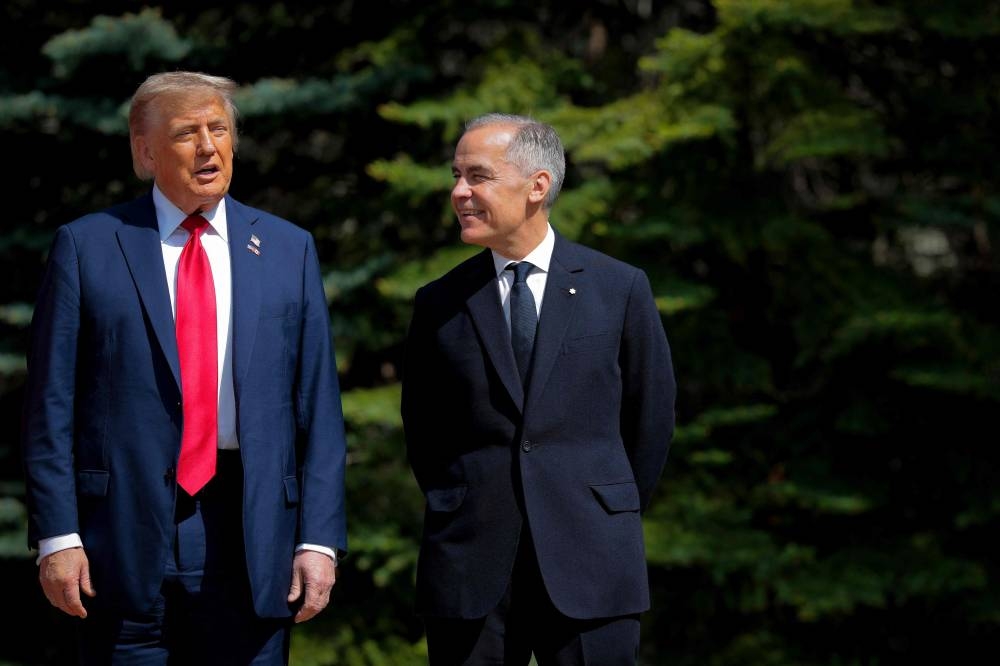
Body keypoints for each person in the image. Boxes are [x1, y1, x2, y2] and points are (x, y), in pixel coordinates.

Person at [20, 71, 347, 665]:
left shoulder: (286, 247)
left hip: (252, 536)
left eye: (219, 129)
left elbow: (317, 407)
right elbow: (50, 405)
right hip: (118, 540)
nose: (208, 147)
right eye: (186, 133)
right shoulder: (89, 245)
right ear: (145, 152)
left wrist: (320, 538)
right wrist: (58, 536)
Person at [401, 113, 676, 665]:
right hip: (471, 564)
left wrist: (599, 506)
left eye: (477, 176)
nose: (459, 192)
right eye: (456, 176)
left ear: (537, 186)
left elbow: (650, 420)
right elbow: (426, 435)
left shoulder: (619, 289)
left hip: (593, 560)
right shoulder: (438, 303)